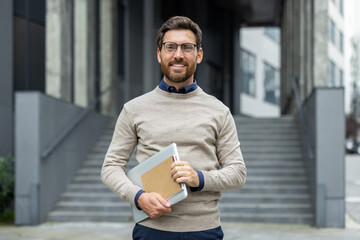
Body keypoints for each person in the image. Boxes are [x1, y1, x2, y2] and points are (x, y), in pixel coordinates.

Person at [101, 16, 246, 240]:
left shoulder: (219, 111)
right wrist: (138, 197)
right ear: (159, 54)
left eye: (187, 47)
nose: (178, 54)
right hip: (152, 230)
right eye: (171, 47)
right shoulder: (134, 109)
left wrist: (199, 178)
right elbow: (110, 167)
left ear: (199, 55)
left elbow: (238, 173)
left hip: (205, 231)